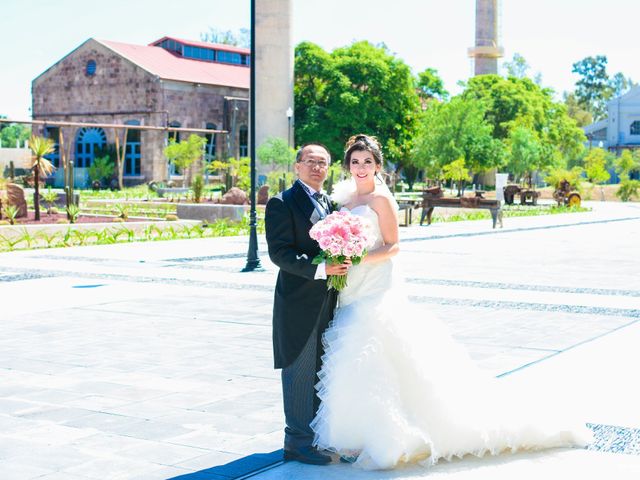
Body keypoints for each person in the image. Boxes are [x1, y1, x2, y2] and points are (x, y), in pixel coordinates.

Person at [310, 134, 593, 470]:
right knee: (352, 363)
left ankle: (386, 437)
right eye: (355, 162)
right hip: (350, 287)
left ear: (377, 165)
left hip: (373, 286)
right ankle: (355, 436)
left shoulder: (382, 201)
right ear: (348, 165)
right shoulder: (345, 197)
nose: (360, 168)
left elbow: (393, 246)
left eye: (367, 162)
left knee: (369, 355)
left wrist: (357, 259)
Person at [265, 143, 350, 465]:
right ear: (297, 166)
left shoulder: (331, 204)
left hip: (329, 299)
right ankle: (296, 443)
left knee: (319, 371)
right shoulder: (282, 203)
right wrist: (320, 269)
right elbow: (279, 253)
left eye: (323, 163)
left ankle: (314, 437)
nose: (317, 167)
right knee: (299, 369)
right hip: (298, 303)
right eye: (311, 161)